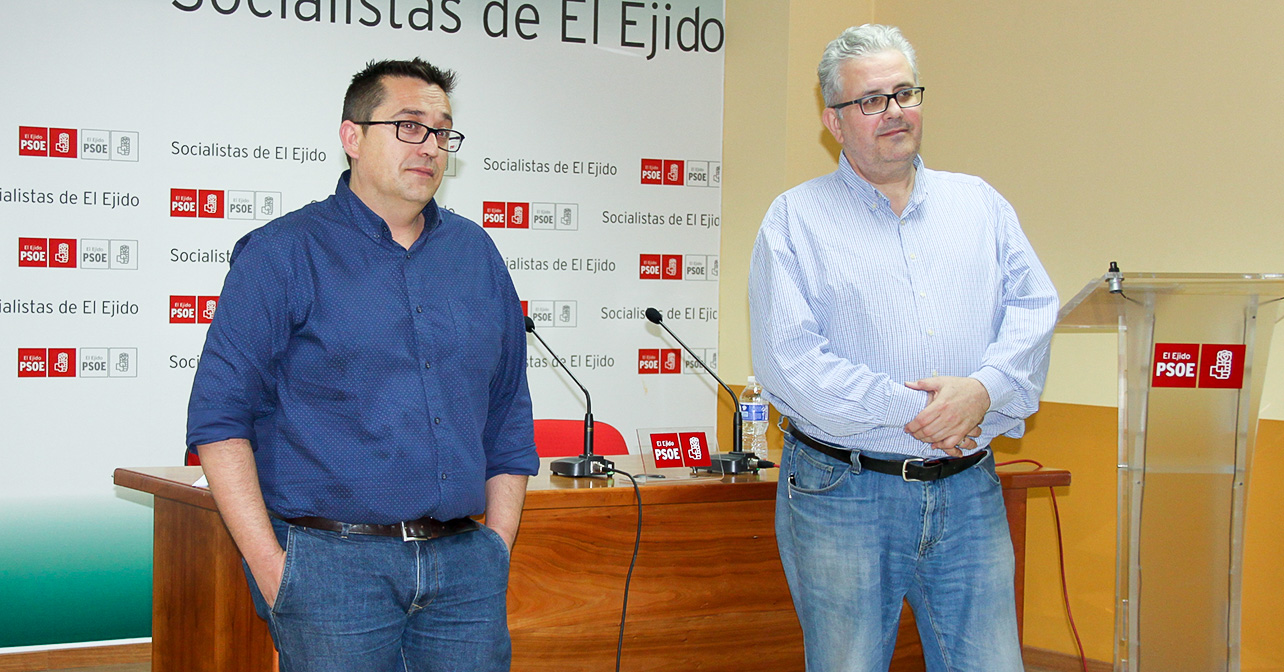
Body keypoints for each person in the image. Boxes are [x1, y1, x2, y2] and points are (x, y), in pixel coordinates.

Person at [187, 58, 538, 672]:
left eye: (443, 132)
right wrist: (276, 572)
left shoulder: (476, 255)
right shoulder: (283, 253)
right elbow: (219, 420)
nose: (431, 146)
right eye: (409, 126)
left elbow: (508, 413)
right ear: (351, 136)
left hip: (464, 569)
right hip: (329, 569)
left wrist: (496, 549)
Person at [748, 24, 1058, 672]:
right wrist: (919, 409)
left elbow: (1035, 308)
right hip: (845, 494)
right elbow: (790, 364)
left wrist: (982, 391)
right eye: (871, 100)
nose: (893, 112)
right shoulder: (795, 220)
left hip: (969, 487)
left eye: (904, 93)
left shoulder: (981, 206)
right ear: (833, 120)